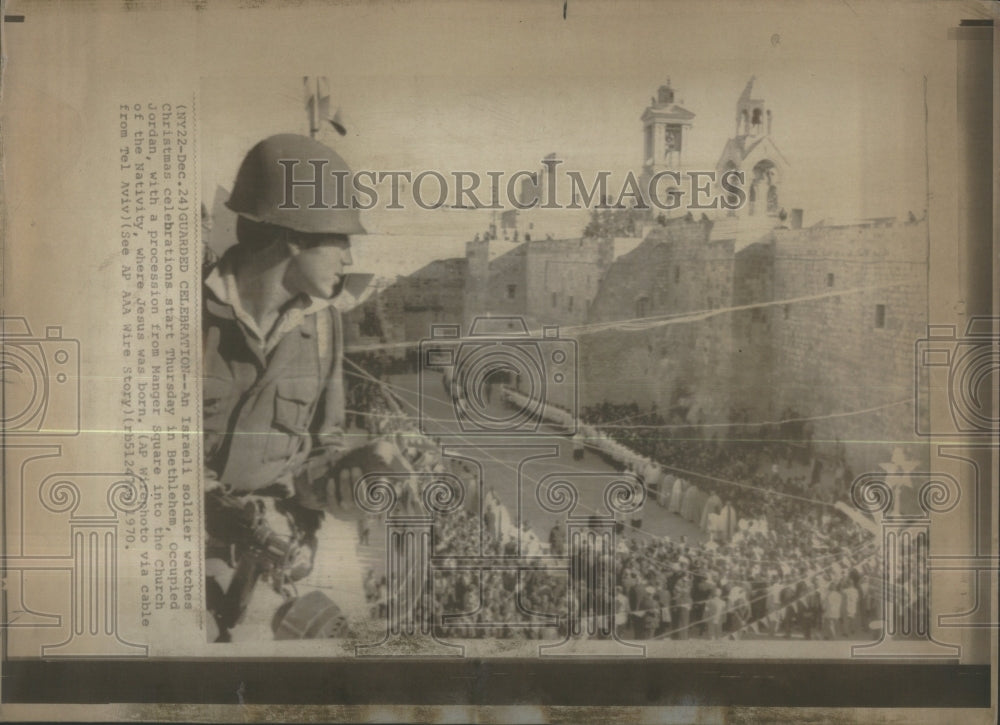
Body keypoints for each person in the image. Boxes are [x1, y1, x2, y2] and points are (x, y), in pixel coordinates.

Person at [203, 133, 409, 642]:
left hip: (269, 558)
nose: (347, 256)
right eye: (340, 238)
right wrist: (221, 511)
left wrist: (340, 489)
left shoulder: (323, 326)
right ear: (294, 236)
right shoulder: (178, 310)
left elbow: (316, 452)